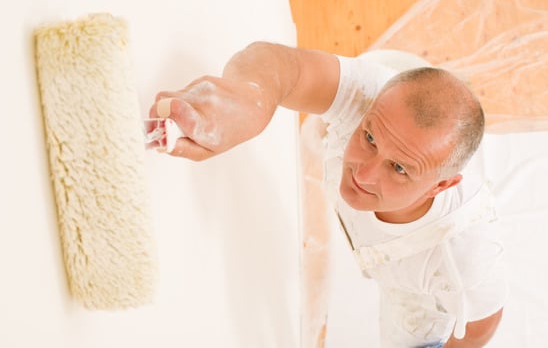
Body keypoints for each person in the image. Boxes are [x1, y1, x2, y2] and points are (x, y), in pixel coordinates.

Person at [148, 41, 507, 347]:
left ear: (440, 186)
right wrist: (250, 97)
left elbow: (481, 324)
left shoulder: (461, 259)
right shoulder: (372, 99)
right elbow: (280, 65)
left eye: (399, 169)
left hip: (416, 301)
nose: (362, 174)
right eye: (369, 138)